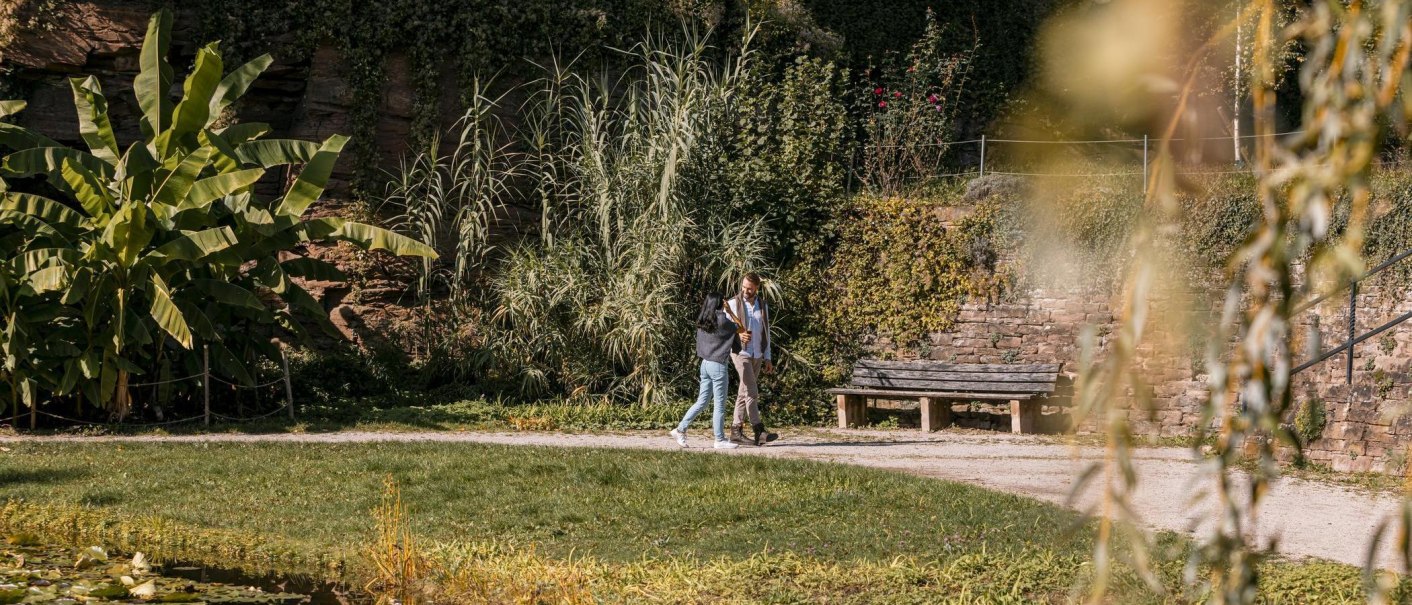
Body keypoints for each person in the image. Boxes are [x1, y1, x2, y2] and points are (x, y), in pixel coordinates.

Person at [670, 292, 741, 449]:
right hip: (718, 365)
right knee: (719, 404)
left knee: (702, 401)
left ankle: (680, 429)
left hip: (705, 364)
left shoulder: (703, 321)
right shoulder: (723, 321)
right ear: (720, 303)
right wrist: (730, 312)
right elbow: (741, 328)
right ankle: (719, 440)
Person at [724, 273, 779, 446]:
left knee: (744, 392)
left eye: (750, 288)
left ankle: (736, 430)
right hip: (740, 353)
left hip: (757, 354)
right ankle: (759, 430)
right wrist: (738, 334)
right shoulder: (733, 304)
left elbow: (766, 332)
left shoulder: (762, 305)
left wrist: (767, 357)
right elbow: (723, 328)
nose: (745, 291)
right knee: (752, 392)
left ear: (756, 288)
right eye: (743, 287)